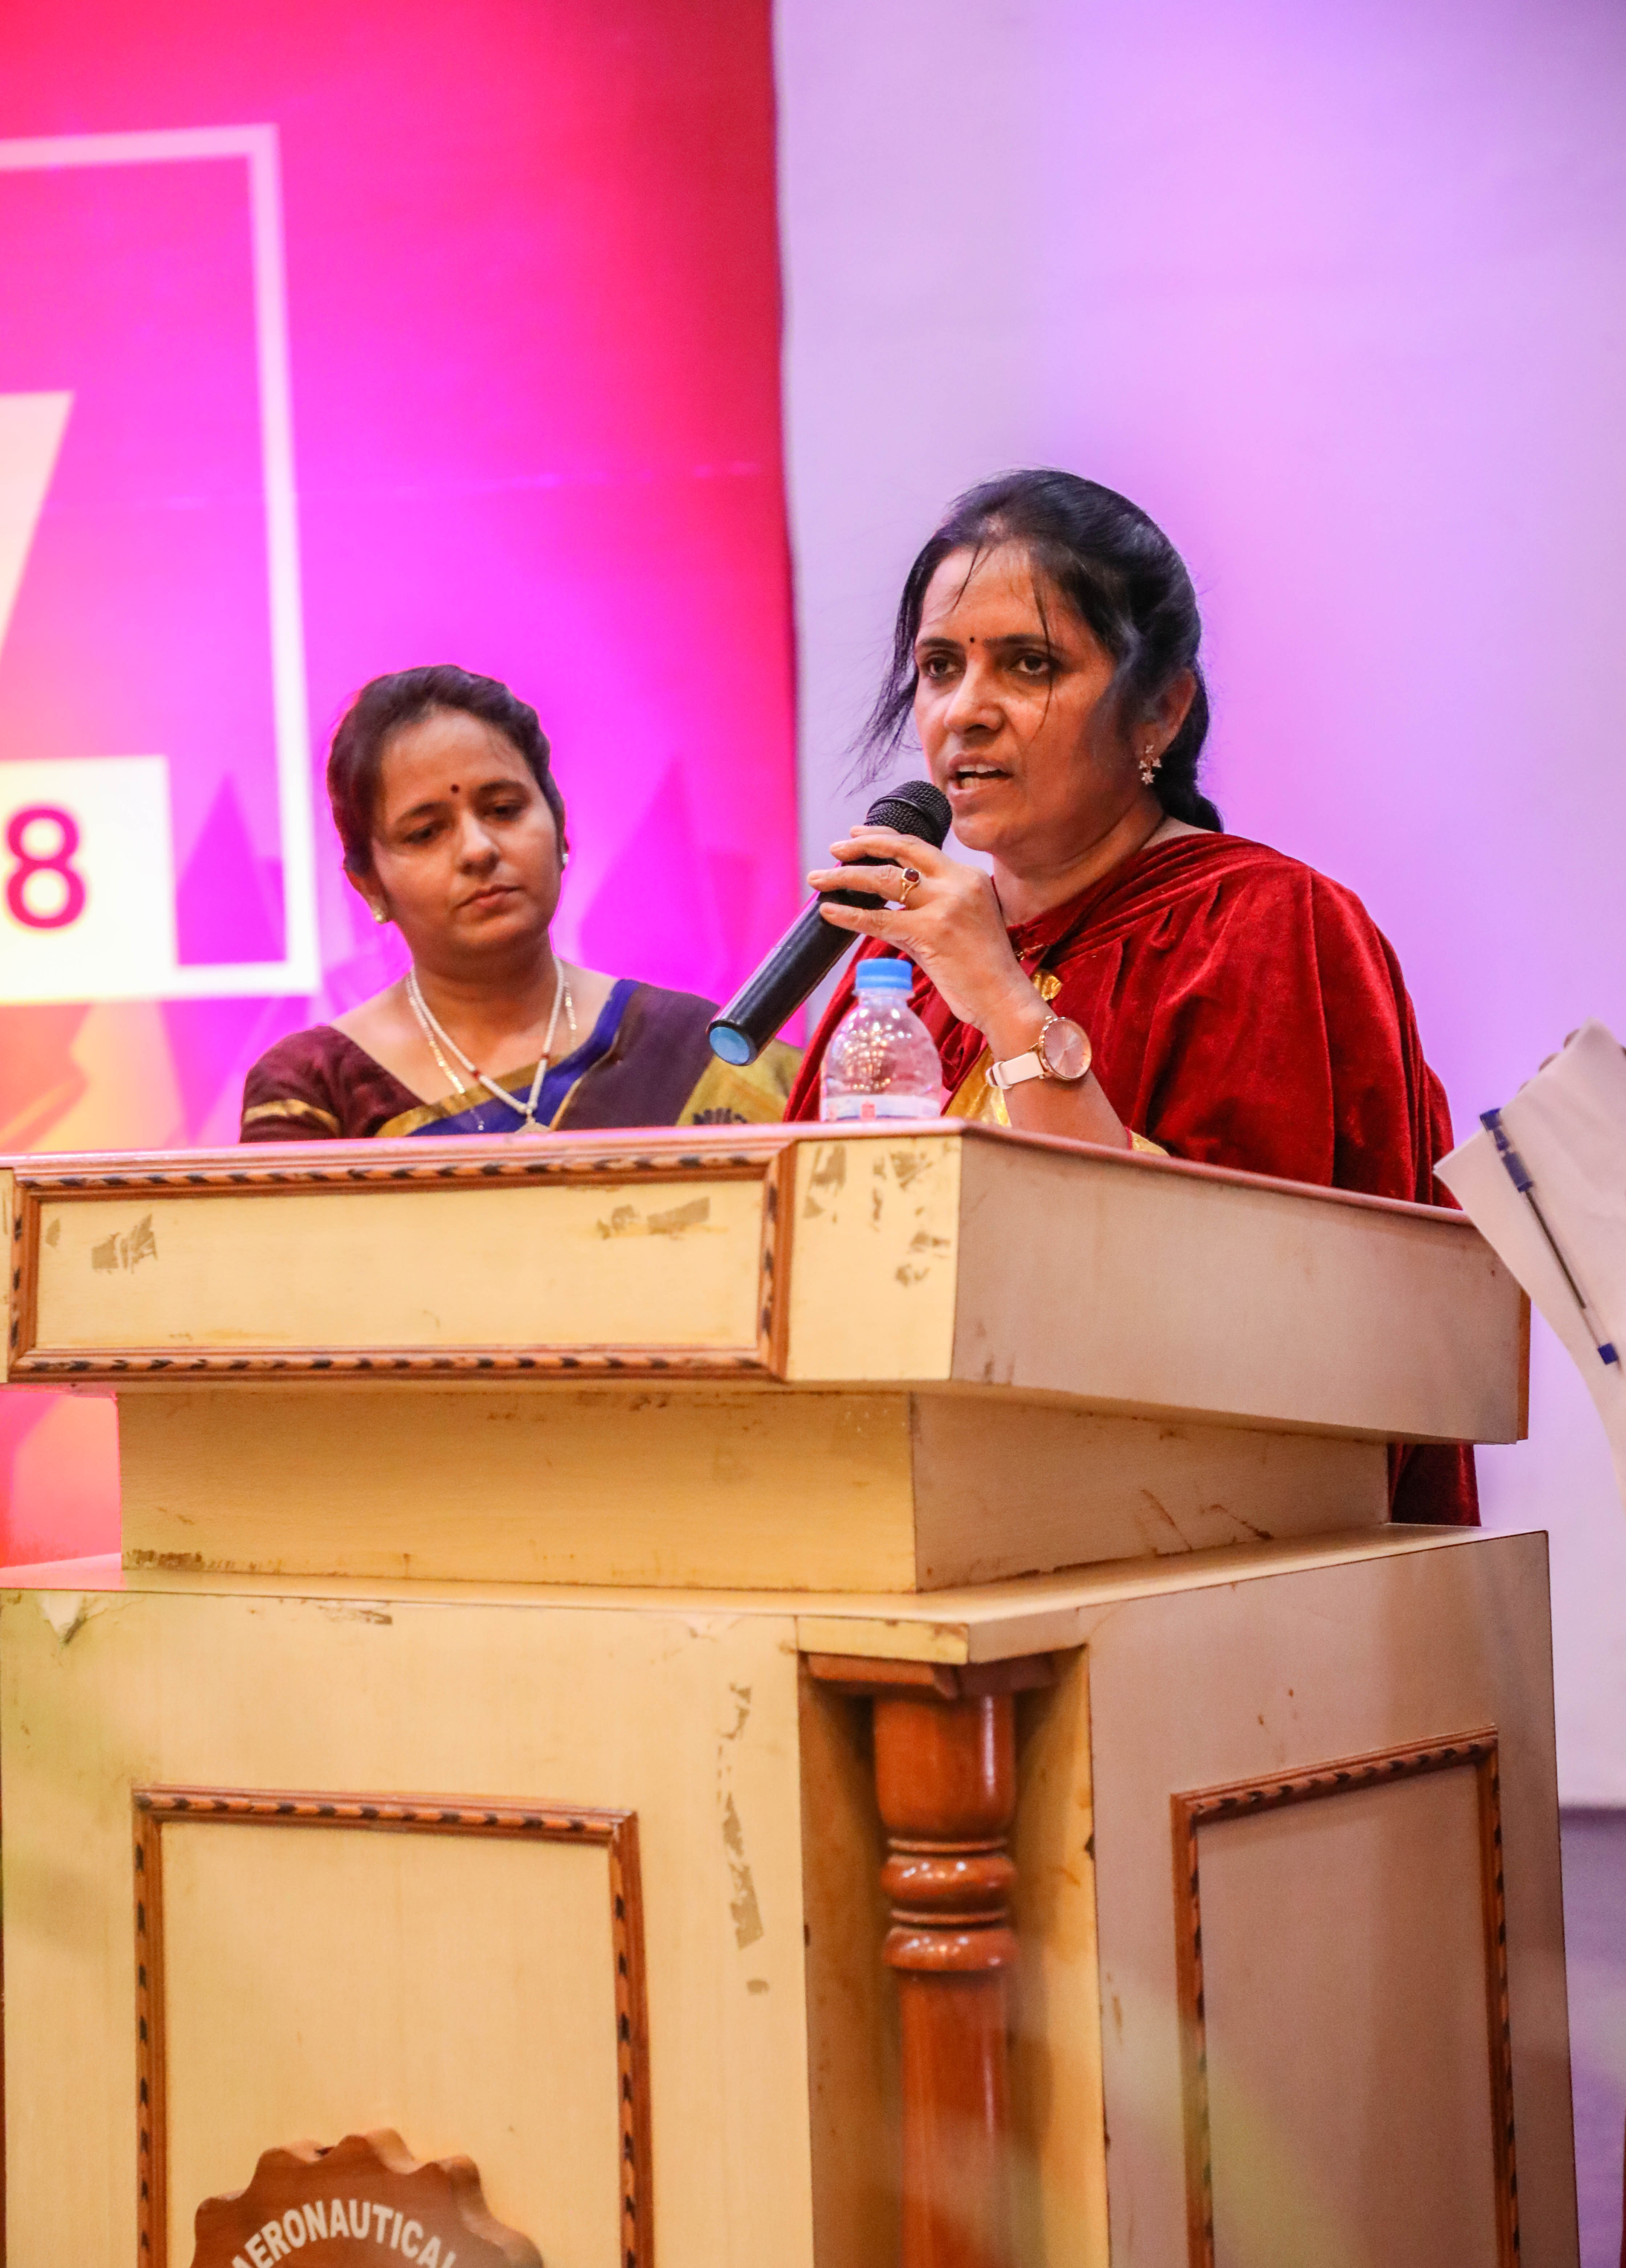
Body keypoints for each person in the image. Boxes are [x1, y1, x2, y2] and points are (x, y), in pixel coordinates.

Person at [786, 469, 1475, 1526]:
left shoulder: (1264, 928)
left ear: (1160, 707)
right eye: (939, 667)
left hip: (1181, 1548)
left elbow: (1251, 1320)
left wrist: (1007, 1007)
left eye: (1030, 664)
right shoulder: (899, 970)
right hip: (889, 1513)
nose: (966, 711)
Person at [241, 666, 795, 1141]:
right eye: (426, 833)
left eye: (504, 809)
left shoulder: (700, 1052)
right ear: (370, 886)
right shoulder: (317, 1089)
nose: (478, 850)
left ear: (559, 827)